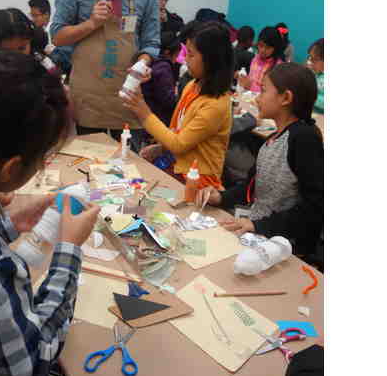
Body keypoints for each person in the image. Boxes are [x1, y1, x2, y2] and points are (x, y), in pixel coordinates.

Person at [0, 48, 101, 376]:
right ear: (11, 169)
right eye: (43, 158)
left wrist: (8, 223)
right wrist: (69, 250)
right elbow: (30, 363)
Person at [50, 0, 160, 147]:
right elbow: (57, 37)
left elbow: (151, 42)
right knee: (87, 161)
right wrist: (90, 23)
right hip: (87, 100)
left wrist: (143, 63)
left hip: (128, 97)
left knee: (129, 164)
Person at [196, 63, 324, 261]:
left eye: (263, 91)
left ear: (286, 98)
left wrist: (259, 225)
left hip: (282, 246)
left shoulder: (304, 139)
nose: (257, 98)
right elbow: (251, 186)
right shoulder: (274, 138)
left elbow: (315, 205)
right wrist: (221, 197)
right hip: (259, 230)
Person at [122, 22, 234, 190]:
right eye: (185, 53)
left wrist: (144, 112)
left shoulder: (216, 105)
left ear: (211, 59)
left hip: (199, 182)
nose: (185, 60)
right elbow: (179, 132)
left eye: (191, 54)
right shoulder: (192, 86)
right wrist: (161, 148)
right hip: (176, 168)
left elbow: (179, 144)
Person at [140, 31, 181, 141]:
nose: (177, 59)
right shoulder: (163, 68)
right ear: (168, 52)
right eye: (176, 55)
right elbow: (168, 100)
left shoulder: (152, 62)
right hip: (155, 119)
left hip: (146, 115)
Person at [238, 26, 286, 93]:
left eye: (268, 47)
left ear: (275, 49)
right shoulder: (255, 59)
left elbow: (271, 93)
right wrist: (242, 78)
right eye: (261, 45)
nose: (263, 50)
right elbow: (251, 80)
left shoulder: (278, 67)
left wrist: (250, 86)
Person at [307, 38, 324, 115]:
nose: (310, 62)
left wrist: (310, 96)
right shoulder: (315, 73)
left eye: (314, 59)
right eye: (310, 58)